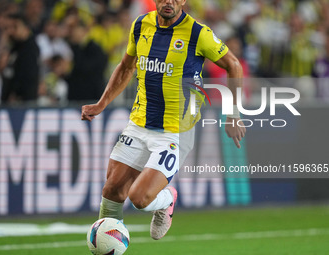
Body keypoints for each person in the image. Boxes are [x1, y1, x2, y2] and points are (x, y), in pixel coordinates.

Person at [81, 0, 246, 240]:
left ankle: (167, 199)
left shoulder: (198, 33)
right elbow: (127, 66)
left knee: (139, 198)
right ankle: (107, 246)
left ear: (184, 1)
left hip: (175, 131)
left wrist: (233, 114)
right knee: (111, 191)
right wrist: (102, 103)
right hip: (139, 123)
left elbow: (234, 65)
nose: (169, 1)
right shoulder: (141, 25)